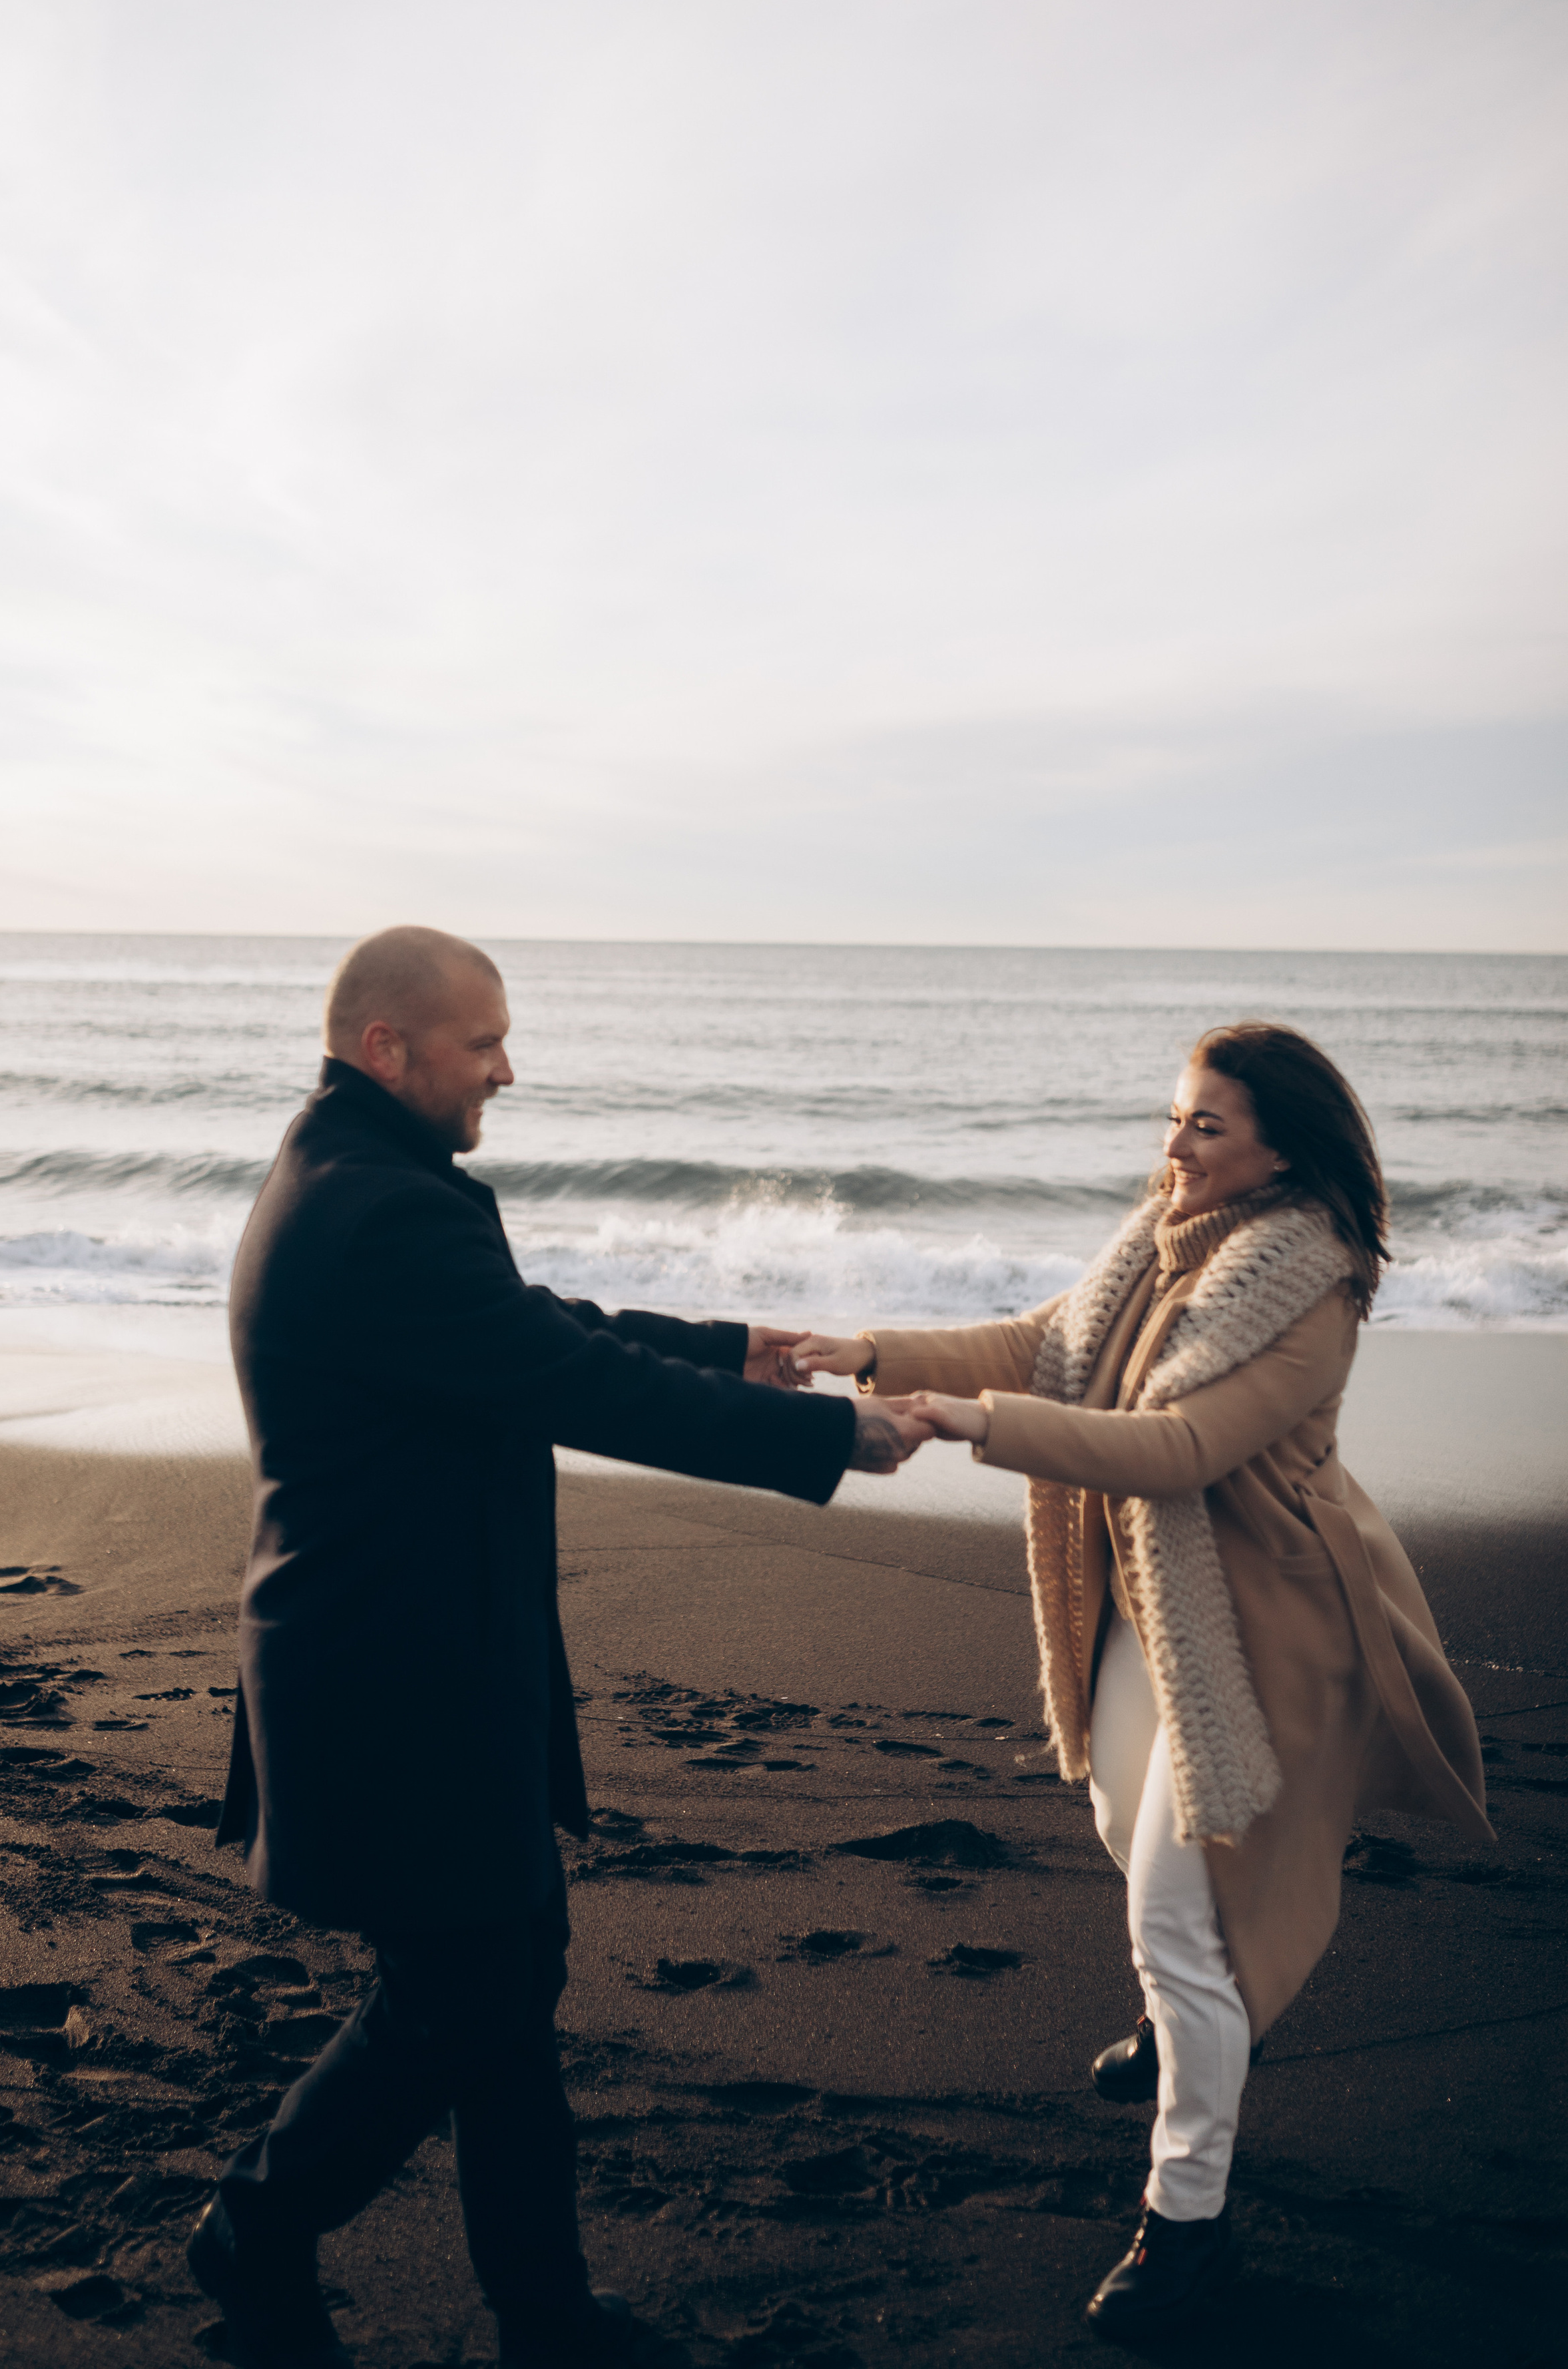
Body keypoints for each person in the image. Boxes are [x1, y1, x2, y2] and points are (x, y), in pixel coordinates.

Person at [188, 925, 928, 2369]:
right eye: (482, 1045)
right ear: (384, 1048)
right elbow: (571, 1382)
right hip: (393, 1687)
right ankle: (258, 2236)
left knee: (502, 1979)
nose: (506, 1072)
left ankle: (541, 2316)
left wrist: (728, 1349)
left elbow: (526, 1333)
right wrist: (823, 1430)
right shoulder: (381, 1207)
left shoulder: (360, 1178)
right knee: (461, 1997)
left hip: (414, 1668)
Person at [792, 1023, 1492, 2340]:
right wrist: (872, 1353)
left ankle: (1184, 2232)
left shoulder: (1310, 1285)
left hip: (1260, 1628)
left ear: (1279, 1149)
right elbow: (1043, 1341)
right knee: (1124, 1826)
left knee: (1179, 1922)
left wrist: (964, 1426)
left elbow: (1175, 1448)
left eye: (1204, 1127)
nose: (1171, 1147)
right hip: (1143, 1600)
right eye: (1171, 1119)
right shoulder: (1159, 1239)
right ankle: (1189, 2030)